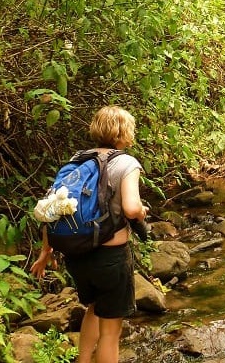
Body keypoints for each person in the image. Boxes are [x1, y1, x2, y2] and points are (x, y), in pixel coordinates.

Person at [31, 105, 148, 363]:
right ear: (124, 133)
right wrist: (141, 212)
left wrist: (45, 251)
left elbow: (54, 208)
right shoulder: (126, 163)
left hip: (77, 255)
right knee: (111, 331)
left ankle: (82, 360)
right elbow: (131, 208)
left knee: (93, 308)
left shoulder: (77, 161)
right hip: (110, 258)